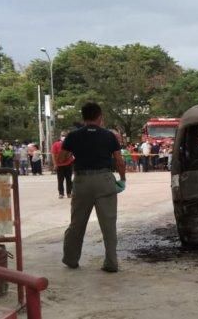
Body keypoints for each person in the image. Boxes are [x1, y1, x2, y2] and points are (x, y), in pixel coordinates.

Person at [58, 102, 126, 272]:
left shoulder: (73, 136)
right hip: (104, 180)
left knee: (77, 223)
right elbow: (118, 160)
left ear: (83, 117)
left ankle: (71, 259)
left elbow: (61, 159)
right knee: (108, 224)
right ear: (100, 117)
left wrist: (78, 157)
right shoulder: (109, 136)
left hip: (82, 181)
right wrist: (123, 178)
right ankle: (111, 263)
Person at [52, 133, 74, 198]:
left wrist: (55, 164)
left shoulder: (56, 144)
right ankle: (64, 193)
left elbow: (53, 154)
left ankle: (65, 193)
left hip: (64, 164)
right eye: (63, 135)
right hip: (64, 165)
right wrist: (55, 164)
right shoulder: (57, 144)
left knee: (64, 180)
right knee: (65, 180)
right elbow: (53, 155)